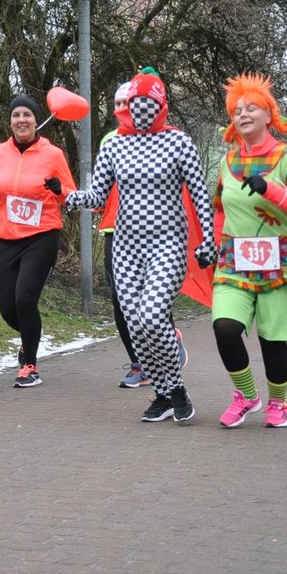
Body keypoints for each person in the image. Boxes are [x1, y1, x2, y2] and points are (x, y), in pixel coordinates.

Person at [66, 67, 214, 423]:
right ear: (127, 107)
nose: (142, 112)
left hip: (168, 243)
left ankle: (176, 389)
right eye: (136, 105)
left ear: (162, 106)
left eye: (150, 105)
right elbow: (99, 195)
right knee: (135, 324)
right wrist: (73, 197)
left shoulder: (179, 142)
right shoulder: (114, 145)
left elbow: (199, 195)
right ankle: (164, 395)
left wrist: (208, 239)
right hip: (126, 247)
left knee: (152, 316)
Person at [212, 73, 287, 429]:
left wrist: (271, 190)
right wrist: (212, 246)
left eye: (251, 108)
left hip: (281, 263)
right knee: (225, 327)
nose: (243, 114)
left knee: (272, 340)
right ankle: (246, 396)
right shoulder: (227, 162)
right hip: (234, 262)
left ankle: (278, 403)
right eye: (237, 110)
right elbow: (220, 210)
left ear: (269, 115)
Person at [0, 94, 76, 387]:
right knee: (7, 308)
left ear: (36, 120)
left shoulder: (53, 155)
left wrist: (59, 190)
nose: (21, 120)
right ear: (10, 122)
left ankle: (29, 366)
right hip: (8, 237)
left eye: (27, 115)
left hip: (41, 236)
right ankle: (28, 338)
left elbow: (72, 197)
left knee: (24, 298)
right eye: (16, 115)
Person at [98, 82, 187, 388]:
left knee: (153, 301)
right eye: (119, 103)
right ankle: (140, 363)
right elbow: (102, 189)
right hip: (117, 230)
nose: (125, 108)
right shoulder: (110, 141)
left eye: (129, 102)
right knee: (121, 301)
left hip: (158, 233)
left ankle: (168, 347)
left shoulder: (168, 140)